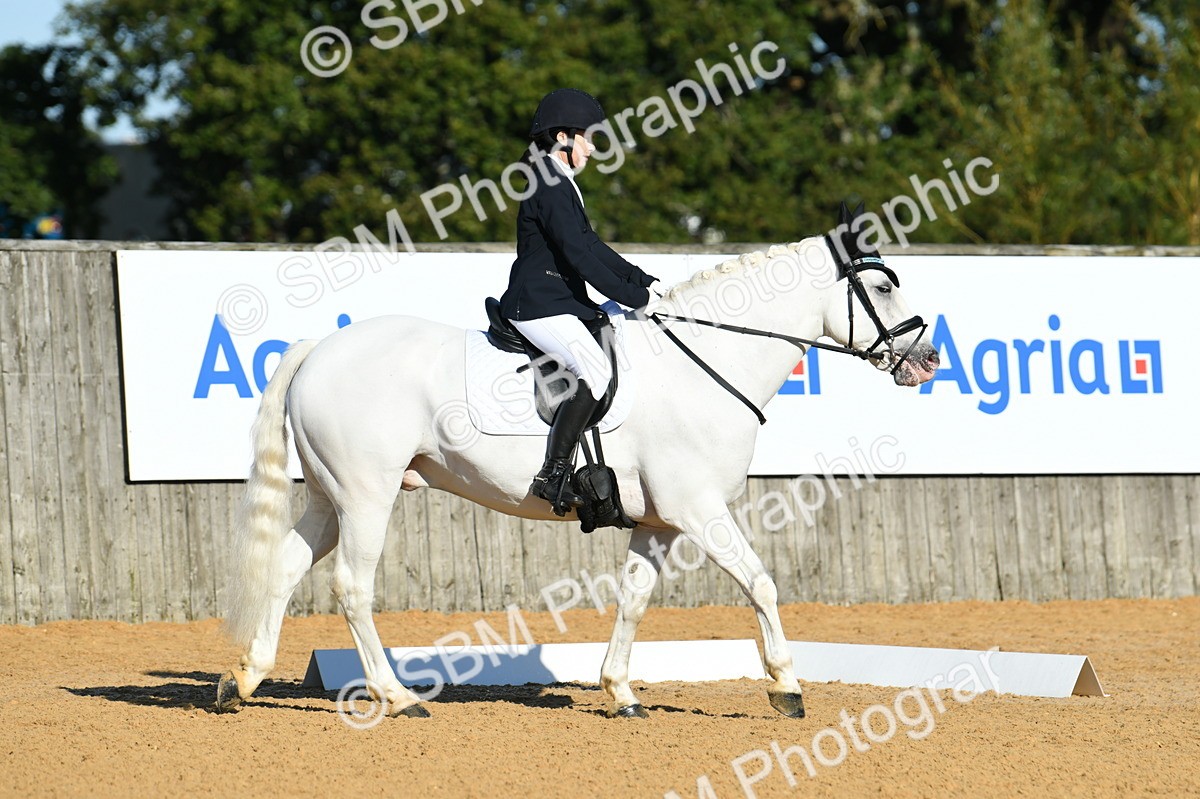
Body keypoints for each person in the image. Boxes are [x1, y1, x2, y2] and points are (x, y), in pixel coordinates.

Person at [500, 88, 666, 515]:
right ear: (562, 137)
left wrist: (639, 279)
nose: (592, 148)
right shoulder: (549, 183)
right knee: (593, 369)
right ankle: (552, 475)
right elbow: (577, 256)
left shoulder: (560, 181)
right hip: (537, 304)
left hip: (559, 300)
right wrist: (634, 297)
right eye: (587, 137)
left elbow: (589, 244)